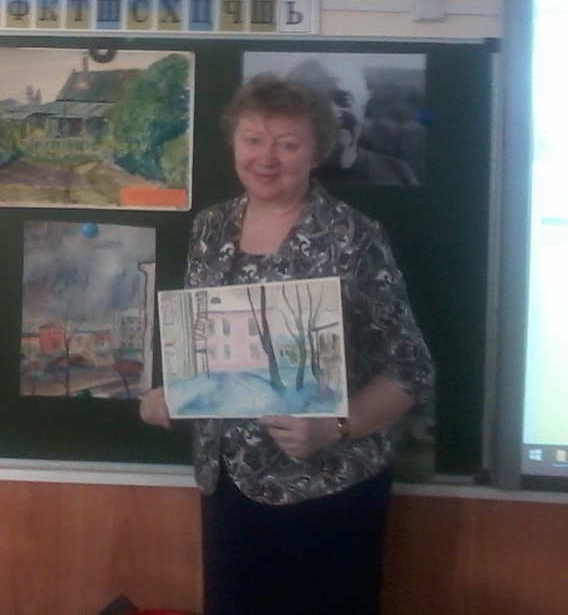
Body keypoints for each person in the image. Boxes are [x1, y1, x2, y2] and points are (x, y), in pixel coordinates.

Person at [139, 73, 434, 615]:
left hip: (329, 488)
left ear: (317, 152)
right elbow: (213, 344)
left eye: (287, 144)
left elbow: (411, 369)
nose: (266, 158)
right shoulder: (210, 228)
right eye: (253, 139)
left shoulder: (353, 236)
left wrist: (334, 427)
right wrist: (175, 391)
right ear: (234, 143)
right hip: (229, 483)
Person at [285, 57, 419, 185]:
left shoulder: (397, 174)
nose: (333, 114)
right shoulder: (284, 176)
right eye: (317, 103)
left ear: (363, 106)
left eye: (343, 100)